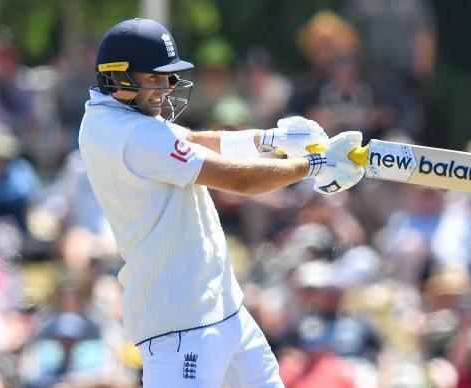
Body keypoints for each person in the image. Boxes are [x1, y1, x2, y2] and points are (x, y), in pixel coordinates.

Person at [78, 18, 365, 387]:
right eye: (154, 78)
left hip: (222, 310)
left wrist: (270, 139)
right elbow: (239, 179)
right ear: (116, 77)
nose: (165, 90)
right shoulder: (132, 135)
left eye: (168, 78)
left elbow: (192, 139)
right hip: (180, 326)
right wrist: (312, 165)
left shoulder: (110, 117)